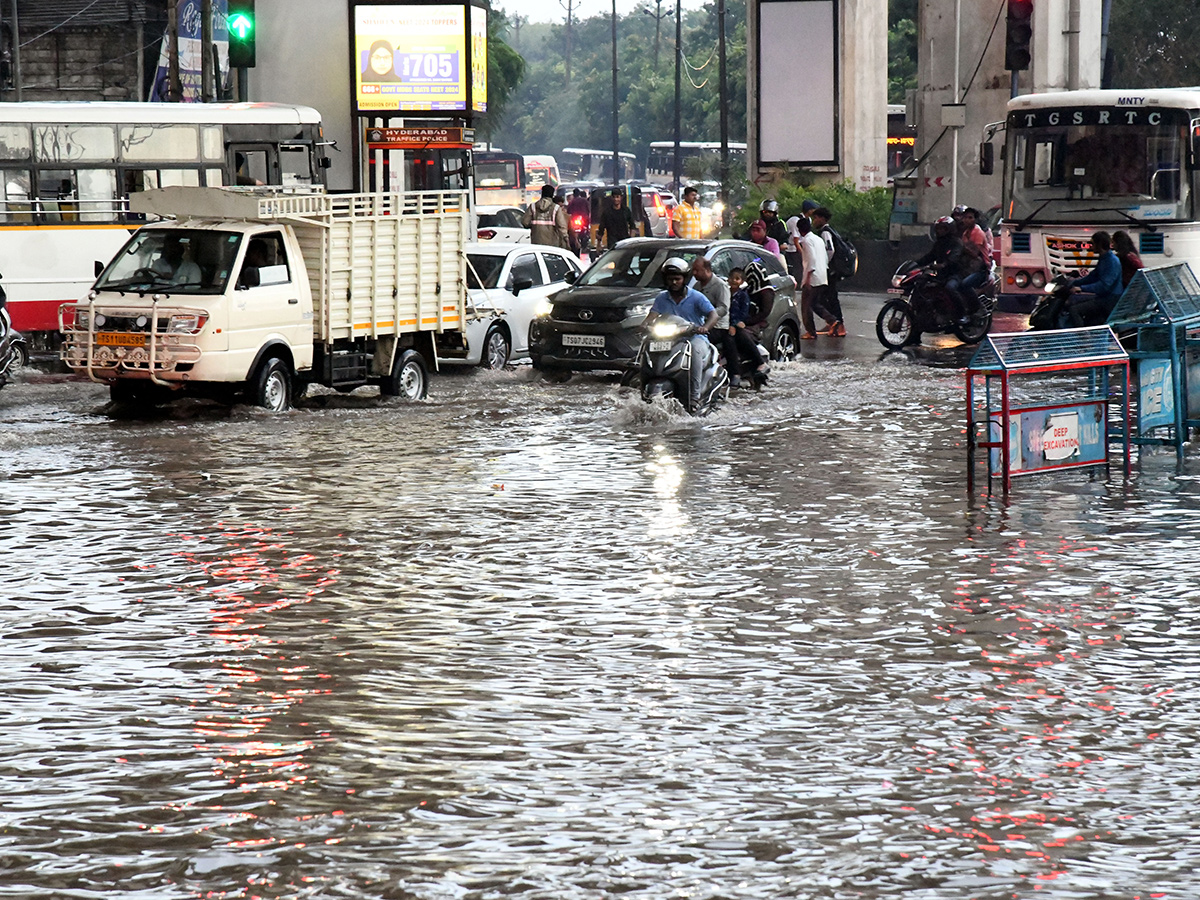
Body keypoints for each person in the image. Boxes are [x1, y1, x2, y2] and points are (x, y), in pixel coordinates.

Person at [644, 257, 719, 410]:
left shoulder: (697, 297)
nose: (674, 282)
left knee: (695, 352)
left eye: (677, 279)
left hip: (694, 337)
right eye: (670, 279)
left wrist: (705, 327)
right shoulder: (661, 298)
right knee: (646, 346)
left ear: (684, 279)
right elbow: (651, 317)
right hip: (669, 339)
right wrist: (644, 325)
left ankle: (694, 397)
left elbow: (714, 314)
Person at [1065, 231, 1123, 327]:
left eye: (1092, 244)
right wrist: (1074, 282)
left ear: (1099, 244)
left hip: (1109, 300)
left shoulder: (1111, 261)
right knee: (1074, 300)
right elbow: (1093, 276)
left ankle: (1083, 338)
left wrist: (1081, 288)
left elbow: (1104, 285)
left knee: (1074, 310)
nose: (1090, 247)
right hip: (1104, 297)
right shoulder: (1104, 259)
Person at [915, 215, 968, 319]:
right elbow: (929, 256)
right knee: (921, 282)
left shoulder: (956, 242)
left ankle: (962, 314)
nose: (940, 231)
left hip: (955, 274)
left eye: (943, 228)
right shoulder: (939, 244)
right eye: (938, 228)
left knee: (950, 288)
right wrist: (915, 264)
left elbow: (954, 258)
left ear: (950, 229)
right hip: (942, 275)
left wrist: (943, 265)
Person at [726, 267, 769, 386]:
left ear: (742, 280)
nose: (734, 281)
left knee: (736, 336)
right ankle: (733, 372)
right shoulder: (724, 292)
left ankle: (759, 363)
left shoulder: (742, 295)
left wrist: (735, 323)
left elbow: (743, 312)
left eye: (737, 278)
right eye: (732, 278)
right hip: (724, 323)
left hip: (738, 324)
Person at [795, 215, 836, 339]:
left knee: (806, 306)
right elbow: (825, 256)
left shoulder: (806, 241)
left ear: (800, 230)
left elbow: (811, 259)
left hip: (812, 277)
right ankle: (832, 320)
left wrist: (807, 277)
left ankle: (811, 332)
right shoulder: (818, 239)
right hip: (822, 275)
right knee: (814, 303)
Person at [810, 206, 847, 337]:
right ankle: (832, 323)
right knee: (827, 297)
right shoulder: (830, 230)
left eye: (815, 218)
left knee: (830, 298)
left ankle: (839, 325)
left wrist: (824, 264)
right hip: (832, 270)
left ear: (822, 218)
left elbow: (830, 250)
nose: (814, 221)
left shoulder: (825, 232)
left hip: (830, 270)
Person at [522, 183, 569, 248]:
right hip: (552, 244)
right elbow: (562, 226)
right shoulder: (556, 208)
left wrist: (535, 226)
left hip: (536, 242)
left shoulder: (533, 206)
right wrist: (566, 239)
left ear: (542, 193)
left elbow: (525, 222)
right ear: (552, 195)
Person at [566, 188, 591, 255]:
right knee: (586, 229)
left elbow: (568, 212)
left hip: (575, 221)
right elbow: (588, 210)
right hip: (584, 220)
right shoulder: (584, 200)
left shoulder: (572, 202)